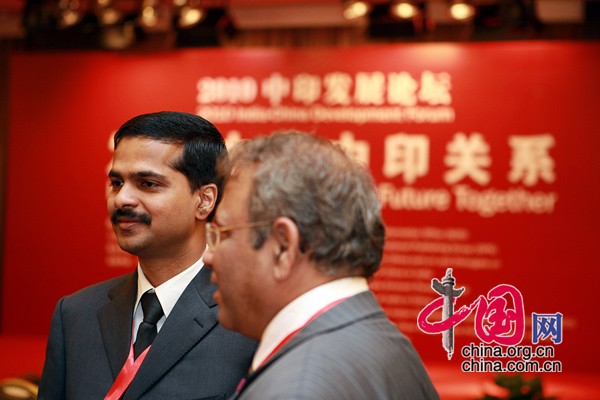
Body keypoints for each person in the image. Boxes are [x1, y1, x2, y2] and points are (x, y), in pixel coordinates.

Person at [203, 131, 439, 399]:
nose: (208, 257)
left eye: (223, 233)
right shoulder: (387, 342)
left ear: (283, 247)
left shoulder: (297, 387)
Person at [38, 111, 257, 400]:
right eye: (116, 182)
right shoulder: (76, 314)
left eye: (148, 184)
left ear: (204, 200)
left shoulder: (249, 320)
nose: (122, 199)